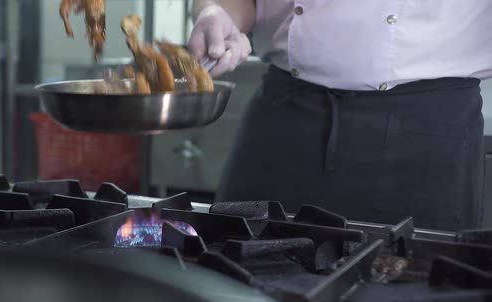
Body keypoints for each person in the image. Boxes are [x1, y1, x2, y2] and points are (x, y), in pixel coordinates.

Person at [188, 0, 492, 231]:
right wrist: (215, 12)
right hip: (285, 116)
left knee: (413, 290)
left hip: (427, 131)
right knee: (232, 280)